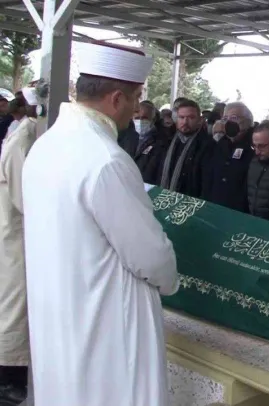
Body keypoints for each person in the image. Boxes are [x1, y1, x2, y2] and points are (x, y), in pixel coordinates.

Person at [21, 42, 178, 406]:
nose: (137, 109)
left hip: (58, 314)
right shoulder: (107, 159)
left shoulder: (46, 145)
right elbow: (151, 257)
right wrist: (171, 280)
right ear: (117, 99)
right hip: (106, 325)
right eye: (136, 97)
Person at [0, 87, 39, 404]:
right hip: (15, 235)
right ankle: (9, 381)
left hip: (16, 234)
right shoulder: (24, 137)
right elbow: (23, 197)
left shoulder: (27, 132)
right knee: (14, 308)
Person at [158, 99, 214, 197]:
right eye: (181, 117)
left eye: (191, 117)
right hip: (163, 196)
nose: (185, 121)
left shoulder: (208, 145)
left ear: (200, 120)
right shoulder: (166, 141)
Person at [202, 117, 255, 213]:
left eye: (235, 118)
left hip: (237, 211)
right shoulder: (213, 147)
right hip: (212, 205)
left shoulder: (253, 149)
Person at [133, 101, 171, 184]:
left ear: (153, 120)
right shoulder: (127, 137)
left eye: (144, 118)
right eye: (137, 118)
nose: (140, 121)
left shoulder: (162, 141)